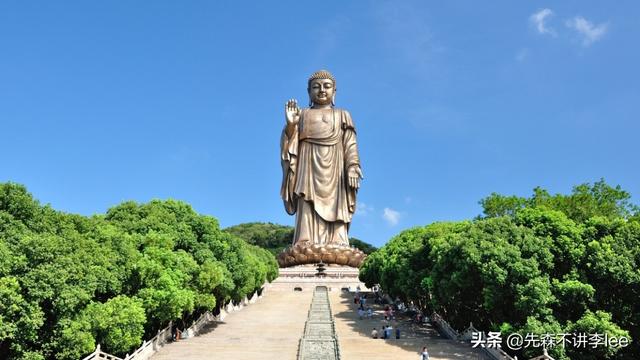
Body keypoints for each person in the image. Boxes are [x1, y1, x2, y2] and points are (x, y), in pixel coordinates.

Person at [281, 70, 363, 248]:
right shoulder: (302, 114)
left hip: (336, 165)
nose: (322, 90)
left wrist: (352, 167)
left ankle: (338, 241)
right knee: (306, 200)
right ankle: (304, 240)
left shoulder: (343, 114)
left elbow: (350, 143)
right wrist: (290, 126)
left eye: (327, 86)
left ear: (335, 91)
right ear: (309, 91)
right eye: (316, 87)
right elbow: (290, 145)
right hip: (307, 163)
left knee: (337, 203)